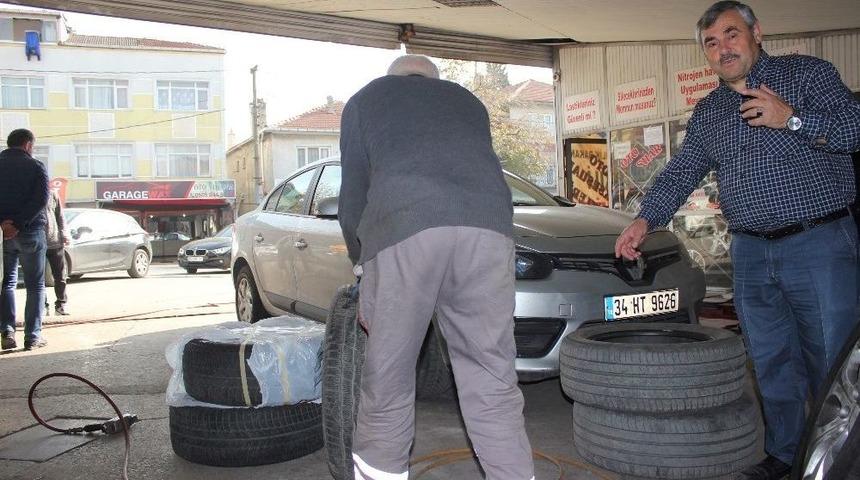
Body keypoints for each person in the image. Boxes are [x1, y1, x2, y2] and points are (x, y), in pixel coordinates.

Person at [614, 2, 860, 479]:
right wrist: (643, 221)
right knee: (771, 361)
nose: (722, 48)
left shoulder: (807, 75)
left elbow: (854, 129)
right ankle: (786, 456)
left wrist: (792, 119)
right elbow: (682, 171)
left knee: (833, 367)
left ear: (756, 33)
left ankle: (839, 466)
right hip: (750, 251)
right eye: (711, 42)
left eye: (731, 34)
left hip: (819, 244)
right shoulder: (710, 111)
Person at [338, 55, 534, 480]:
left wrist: (361, 262)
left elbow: (353, 192)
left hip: (405, 227)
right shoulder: (468, 101)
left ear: (392, 79)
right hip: (490, 230)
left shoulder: (366, 100)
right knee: (491, 376)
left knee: (388, 376)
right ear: (435, 80)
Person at [1, 128, 49, 351]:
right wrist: (19, 224)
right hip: (30, 231)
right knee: (35, 286)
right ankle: (32, 336)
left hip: (3, 233)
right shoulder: (35, 166)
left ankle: (7, 331)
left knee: (7, 282)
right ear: (28, 144)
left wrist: (5, 224)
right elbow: (41, 199)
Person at [44, 189, 69, 316]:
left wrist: (64, 234)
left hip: (55, 241)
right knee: (37, 278)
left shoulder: (52, 194)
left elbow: (60, 215)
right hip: (37, 243)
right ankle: (43, 305)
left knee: (60, 276)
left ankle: (61, 304)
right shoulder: (28, 191)